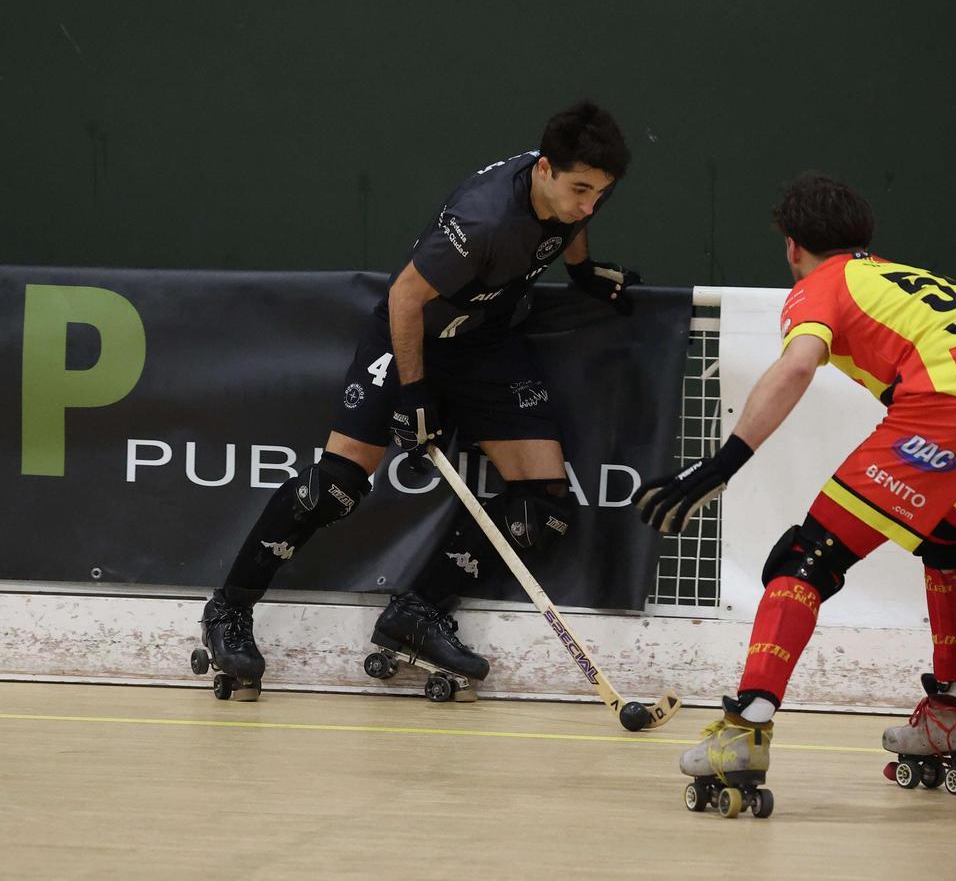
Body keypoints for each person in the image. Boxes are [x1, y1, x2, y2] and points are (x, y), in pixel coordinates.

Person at [635, 172, 956, 805]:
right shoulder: (915, 280)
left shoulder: (821, 285)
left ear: (792, 246)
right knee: (947, 535)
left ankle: (745, 730)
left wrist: (721, 466)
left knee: (805, 557)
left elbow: (798, 364)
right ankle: (953, 712)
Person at [197, 101, 639, 700]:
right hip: (415, 336)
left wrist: (582, 271)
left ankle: (416, 614)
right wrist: (414, 391)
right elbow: (406, 298)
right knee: (337, 485)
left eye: (601, 193)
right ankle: (228, 610)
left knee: (545, 503)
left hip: (485, 340)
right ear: (543, 170)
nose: (589, 204)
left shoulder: (574, 191)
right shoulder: (481, 221)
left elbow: (572, 223)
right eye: (581, 189)